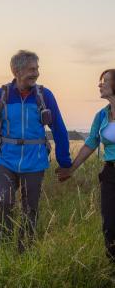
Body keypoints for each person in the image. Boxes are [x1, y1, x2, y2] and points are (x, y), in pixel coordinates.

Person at [0, 50, 72, 251]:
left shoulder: (44, 95)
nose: (36, 73)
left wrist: (65, 163)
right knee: (4, 202)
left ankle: (25, 251)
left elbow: (59, 129)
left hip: (35, 162)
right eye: (32, 69)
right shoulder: (1, 95)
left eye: (37, 68)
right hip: (6, 161)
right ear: (17, 71)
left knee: (30, 209)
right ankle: (3, 250)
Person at [56, 69, 115, 262]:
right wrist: (71, 169)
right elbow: (91, 143)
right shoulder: (101, 116)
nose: (99, 84)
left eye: (104, 81)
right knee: (110, 225)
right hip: (110, 173)